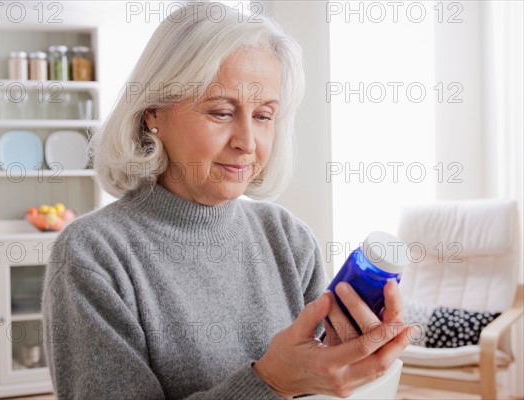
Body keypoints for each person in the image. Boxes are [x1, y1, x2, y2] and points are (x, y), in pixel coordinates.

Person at [42, 3, 414, 399]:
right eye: (221, 112)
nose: (247, 143)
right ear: (154, 113)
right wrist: (271, 381)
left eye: (264, 116)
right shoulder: (92, 255)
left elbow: (316, 380)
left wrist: (348, 366)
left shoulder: (286, 237)